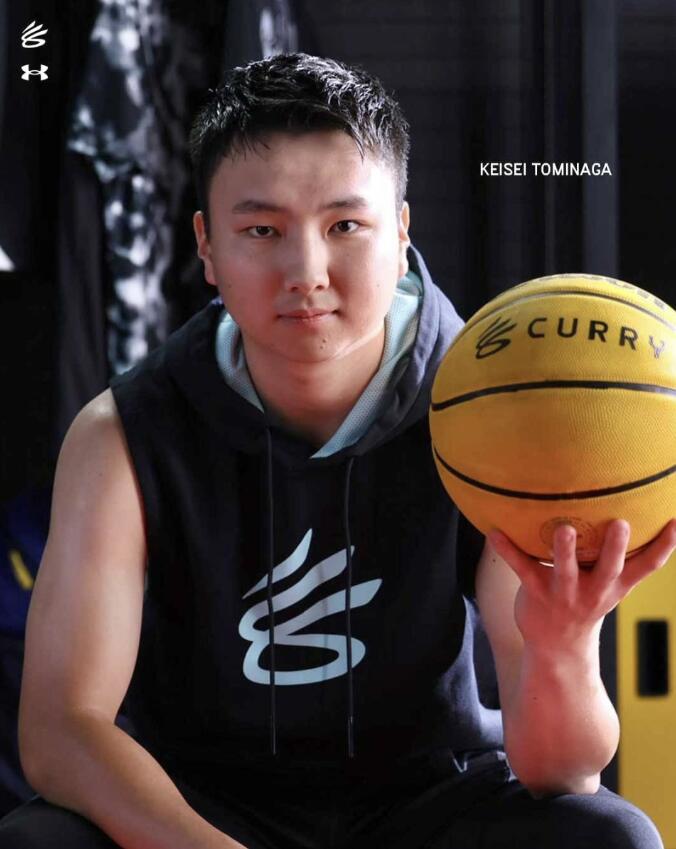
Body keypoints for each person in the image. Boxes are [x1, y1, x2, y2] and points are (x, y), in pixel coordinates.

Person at [1, 52, 674, 849]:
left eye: (345, 226)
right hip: (203, 804)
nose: (306, 272)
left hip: (432, 797)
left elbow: (561, 772)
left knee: (609, 835)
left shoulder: (497, 416)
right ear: (206, 244)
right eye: (261, 230)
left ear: (402, 231)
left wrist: (564, 649)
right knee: (39, 840)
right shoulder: (123, 433)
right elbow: (62, 730)